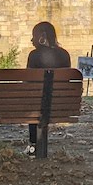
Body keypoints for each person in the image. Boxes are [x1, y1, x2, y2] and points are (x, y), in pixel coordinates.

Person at [25, 21, 70, 155]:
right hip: (60, 105)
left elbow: (28, 83)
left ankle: (33, 144)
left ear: (42, 37)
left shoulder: (34, 55)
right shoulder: (64, 55)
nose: (32, 40)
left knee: (33, 103)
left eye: (34, 36)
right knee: (39, 101)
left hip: (36, 106)